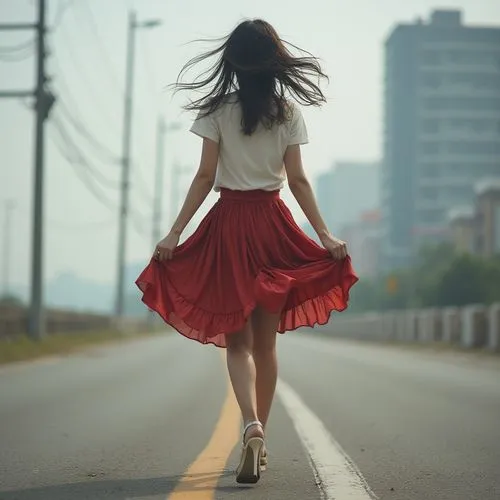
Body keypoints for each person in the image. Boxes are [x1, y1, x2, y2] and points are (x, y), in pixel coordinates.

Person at [136, 19, 358, 485]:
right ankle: (263, 436)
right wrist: (324, 236)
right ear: (275, 62)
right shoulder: (288, 112)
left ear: (232, 63)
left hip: (228, 226)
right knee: (266, 345)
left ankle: (250, 425)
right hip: (273, 225)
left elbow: (203, 177)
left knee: (236, 344)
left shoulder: (217, 110)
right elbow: (297, 181)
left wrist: (175, 232)